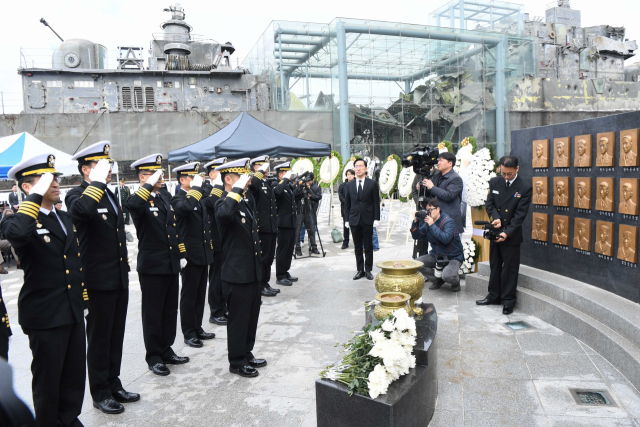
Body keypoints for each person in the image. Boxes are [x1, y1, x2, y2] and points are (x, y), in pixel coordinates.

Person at [3, 154, 87, 425]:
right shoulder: (17, 220)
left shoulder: (63, 217)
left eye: (56, 177)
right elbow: (16, 236)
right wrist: (34, 198)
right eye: (46, 179)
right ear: (28, 187)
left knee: (74, 376)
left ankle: (69, 419)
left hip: (71, 308)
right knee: (48, 381)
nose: (55, 182)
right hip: (46, 314)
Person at [66, 141, 139, 414]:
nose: (109, 170)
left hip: (118, 277)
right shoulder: (77, 194)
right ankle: (100, 392)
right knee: (99, 338)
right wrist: (96, 183)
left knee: (115, 335)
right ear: (86, 170)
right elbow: (81, 212)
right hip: (96, 280)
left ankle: (113, 382)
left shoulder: (108, 194)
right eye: (101, 165)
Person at [126, 154, 190, 376]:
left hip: (171, 263)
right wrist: (149, 184)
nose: (161, 177)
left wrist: (181, 253)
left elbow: (172, 228)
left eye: (160, 174)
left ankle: (166, 348)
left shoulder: (163, 197)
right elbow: (132, 205)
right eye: (155, 174)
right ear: (143, 177)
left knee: (170, 309)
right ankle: (154, 356)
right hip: (152, 266)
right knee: (153, 313)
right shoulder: (140, 199)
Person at [214, 159, 266, 378]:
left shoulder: (245, 201)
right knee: (238, 319)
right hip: (236, 274)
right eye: (241, 177)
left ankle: (246, 351)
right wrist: (236, 189)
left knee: (251, 315)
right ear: (228, 179)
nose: (246, 182)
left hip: (251, 271)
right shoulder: (222, 202)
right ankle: (236, 360)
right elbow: (224, 214)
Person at [476, 155, 532, 315]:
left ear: (517, 169)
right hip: (496, 230)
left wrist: (506, 232)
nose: (506, 177)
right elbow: (490, 203)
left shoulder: (524, 187)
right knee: (495, 264)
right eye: (504, 173)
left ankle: (508, 300)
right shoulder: (495, 182)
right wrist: (496, 219)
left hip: (511, 234)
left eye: (510, 174)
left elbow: (520, 215)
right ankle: (493, 295)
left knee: (510, 268)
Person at [170, 162, 215, 348]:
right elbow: (186, 208)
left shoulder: (196, 197)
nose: (197, 180)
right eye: (192, 177)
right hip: (189, 256)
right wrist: (196, 188)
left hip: (202, 254)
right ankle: (188, 332)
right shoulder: (178, 199)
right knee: (189, 296)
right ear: (182, 180)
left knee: (199, 294)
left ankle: (197, 327)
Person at [410, 198, 463, 292]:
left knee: (447, 275)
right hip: (437, 255)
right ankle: (437, 280)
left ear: (438, 209)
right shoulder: (428, 222)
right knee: (416, 264)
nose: (428, 213)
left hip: (452, 256)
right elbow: (417, 236)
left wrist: (432, 225)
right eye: (427, 210)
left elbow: (445, 239)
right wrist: (415, 222)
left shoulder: (448, 221)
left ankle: (456, 281)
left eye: (431, 210)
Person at [201, 157, 230, 325]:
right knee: (215, 277)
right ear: (211, 174)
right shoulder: (205, 189)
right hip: (214, 239)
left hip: (226, 238)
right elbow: (211, 204)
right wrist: (219, 185)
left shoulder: (224, 189)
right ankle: (215, 311)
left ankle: (224, 306)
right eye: (219, 171)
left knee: (224, 275)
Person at [246, 156, 279, 297]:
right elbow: (253, 184)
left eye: (266, 166)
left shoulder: (267, 182)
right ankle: (260, 285)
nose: (265, 169)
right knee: (263, 258)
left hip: (271, 226)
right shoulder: (255, 182)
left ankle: (266, 282)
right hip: (262, 226)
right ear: (255, 167)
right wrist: (259, 172)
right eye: (261, 166)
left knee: (270, 257)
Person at [344, 158, 380, 280]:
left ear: (365, 168)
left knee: (368, 246)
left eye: (361, 166)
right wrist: (346, 220)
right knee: (357, 246)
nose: (358, 168)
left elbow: (376, 202)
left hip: (368, 219)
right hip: (354, 219)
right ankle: (360, 270)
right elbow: (347, 204)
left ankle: (368, 270)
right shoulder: (349, 185)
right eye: (356, 166)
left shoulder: (372, 183)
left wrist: (376, 218)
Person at [417, 152, 464, 233]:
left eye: (441, 161)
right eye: (438, 160)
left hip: (449, 221)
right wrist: (422, 188)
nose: (438, 163)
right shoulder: (436, 176)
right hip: (436, 219)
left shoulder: (456, 179)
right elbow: (433, 195)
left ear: (450, 163)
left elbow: (448, 195)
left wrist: (432, 187)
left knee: (450, 245)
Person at [274, 162, 302, 286]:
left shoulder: (288, 186)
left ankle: (285, 271)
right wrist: (285, 179)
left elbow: (295, 199)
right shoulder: (276, 185)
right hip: (283, 223)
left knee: (290, 249)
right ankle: (280, 275)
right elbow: (277, 193)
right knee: (282, 249)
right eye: (286, 173)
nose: (289, 175)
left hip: (291, 222)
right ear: (281, 175)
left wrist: (300, 186)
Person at [296, 176, 321, 256]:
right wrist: (300, 187)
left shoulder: (312, 187)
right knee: (298, 230)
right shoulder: (298, 187)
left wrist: (308, 188)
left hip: (308, 211)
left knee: (311, 230)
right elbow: (296, 195)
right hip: (300, 211)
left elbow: (314, 195)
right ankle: (297, 248)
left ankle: (314, 247)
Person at [339, 169, 355, 249]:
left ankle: (356, 241)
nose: (349, 176)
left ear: (354, 175)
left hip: (355, 208)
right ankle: (345, 242)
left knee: (355, 226)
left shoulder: (356, 184)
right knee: (346, 226)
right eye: (348, 174)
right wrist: (347, 202)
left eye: (351, 174)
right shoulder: (342, 185)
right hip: (345, 208)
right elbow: (340, 196)